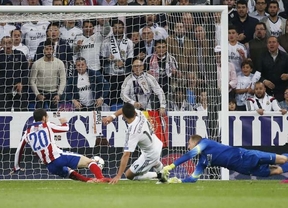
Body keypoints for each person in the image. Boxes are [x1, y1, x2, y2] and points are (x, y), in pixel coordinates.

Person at [10, 108, 111, 183]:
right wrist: (65, 122)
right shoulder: (47, 125)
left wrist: (16, 167)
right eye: (47, 116)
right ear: (44, 118)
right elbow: (65, 129)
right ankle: (100, 178)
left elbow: (19, 150)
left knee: (69, 172)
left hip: (50, 166)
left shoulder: (27, 133)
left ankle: (88, 181)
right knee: (90, 162)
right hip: (58, 157)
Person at [162, 134, 288, 183]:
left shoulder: (205, 143)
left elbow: (189, 155)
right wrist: (177, 181)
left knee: (283, 160)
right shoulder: (203, 162)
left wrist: (172, 165)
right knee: (277, 171)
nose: (188, 146)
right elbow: (193, 178)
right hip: (243, 168)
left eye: (189, 143)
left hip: (245, 156)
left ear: (195, 142)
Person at [102, 102, 168, 184]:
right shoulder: (139, 113)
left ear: (124, 116)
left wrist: (118, 175)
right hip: (156, 143)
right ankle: (159, 168)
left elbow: (126, 155)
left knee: (129, 175)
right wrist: (112, 117)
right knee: (152, 161)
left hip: (150, 154)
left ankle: (159, 175)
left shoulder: (132, 132)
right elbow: (124, 110)